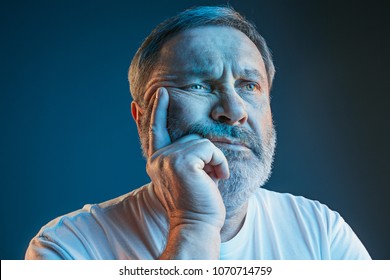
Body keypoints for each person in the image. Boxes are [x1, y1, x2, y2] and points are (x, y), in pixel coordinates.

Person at [25, 6, 371, 260]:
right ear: (143, 118)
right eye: (199, 85)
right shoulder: (68, 248)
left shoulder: (321, 232)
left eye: (249, 86)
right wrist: (195, 225)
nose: (234, 111)